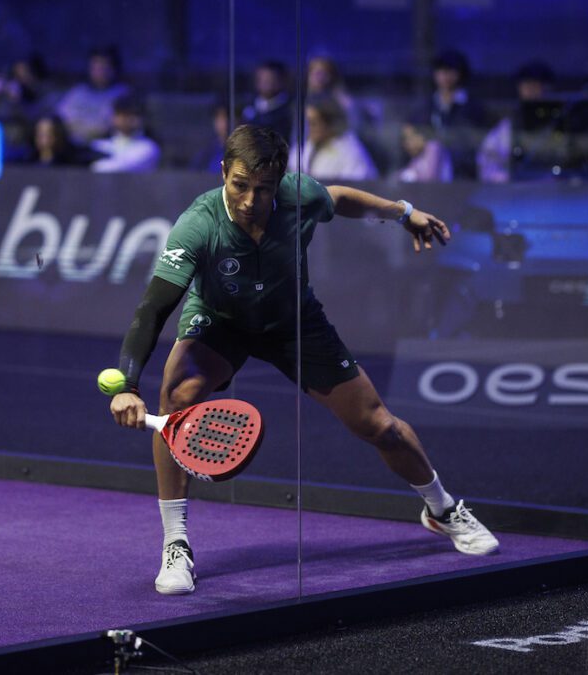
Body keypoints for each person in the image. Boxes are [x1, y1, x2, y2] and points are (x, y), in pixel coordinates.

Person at [108, 124, 499, 596]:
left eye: (263, 189)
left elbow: (342, 199)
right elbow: (153, 308)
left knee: (379, 425)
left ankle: (442, 510)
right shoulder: (198, 225)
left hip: (294, 322)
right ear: (223, 173)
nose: (251, 199)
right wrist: (129, 385)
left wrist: (404, 213)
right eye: (239, 185)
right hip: (219, 321)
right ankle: (176, 543)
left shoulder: (299, 197)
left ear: (280, 181)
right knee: (177, 399)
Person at [408, 49, 487, 180]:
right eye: (441, 70)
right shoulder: (428, 105)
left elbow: (470, 141)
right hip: (427, 171)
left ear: (460, 73)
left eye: (450, 70)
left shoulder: (473, 108)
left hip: (462, 173)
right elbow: (414, 131)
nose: (445, 76)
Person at [289, 94, 378, 181]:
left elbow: (357, 187)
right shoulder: (306, 146)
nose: (309, 128)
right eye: (307, 123)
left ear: (330, 123)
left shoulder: (350, 152)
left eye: (314, 123)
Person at [56, 45, 133, 145]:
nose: (99, 71)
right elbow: (61, 119)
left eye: (104, 67)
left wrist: (81, 127)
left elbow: (104, 126)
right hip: (72, 146)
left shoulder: (122, 93)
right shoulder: (78, 92)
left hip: (106, 147)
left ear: (114, 69)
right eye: (95, 67)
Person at [89, 95, 161, 173]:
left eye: (132, 115)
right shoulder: (99, 145)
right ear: (113, 117)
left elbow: (123, 168)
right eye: (121, 115)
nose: (126, 120)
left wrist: (94, 164)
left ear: (142, 118)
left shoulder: (149, 147)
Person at [241, 60, 294, 144]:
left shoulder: (291, 108)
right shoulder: (248, 107)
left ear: (282, 81)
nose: (266, 83)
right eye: (262, 79)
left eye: (270, 79)